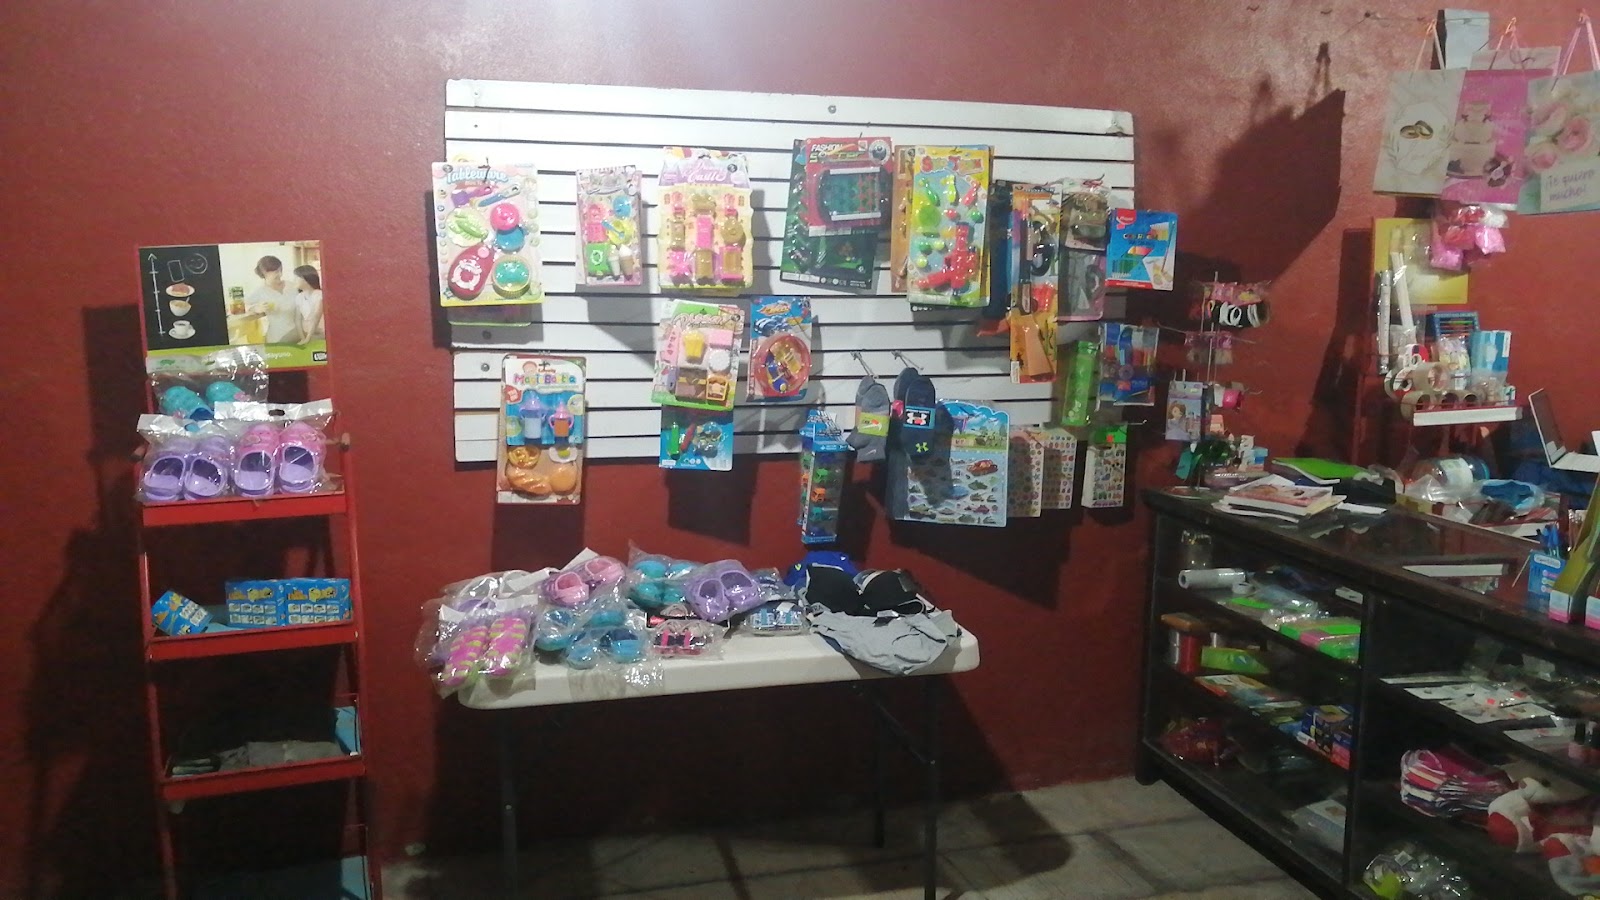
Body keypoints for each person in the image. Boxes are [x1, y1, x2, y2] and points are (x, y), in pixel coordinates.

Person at [245, 255, 300, 344]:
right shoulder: (260, 291)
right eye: (276, 272)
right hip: (277, 338)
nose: (280, 274)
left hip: (298, 334)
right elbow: (243, 306)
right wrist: (256, 308)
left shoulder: (292, 286)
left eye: (281, 270)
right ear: (264, 272)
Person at [294, 265, 325, 345]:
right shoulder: (299, 297)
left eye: (297, 278)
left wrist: (308, 338)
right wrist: (302, 338)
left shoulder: (319, 295)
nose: (294, 280)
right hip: (306, 333)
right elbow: (298, 319)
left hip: (320, 333)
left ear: (306, 279)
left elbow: (316, 317)